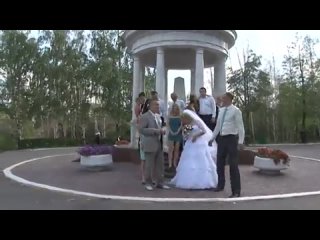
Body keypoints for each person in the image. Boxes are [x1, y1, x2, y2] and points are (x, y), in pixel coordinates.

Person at [170, 109, 218, 190]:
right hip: (190, 143)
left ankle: (203, 180)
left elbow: (204, 131)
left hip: (199, 142)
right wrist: (184, 132)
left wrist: (196, 135)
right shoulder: (187, 125)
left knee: (201, 160)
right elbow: (185, 137)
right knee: (189, 161)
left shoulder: (196, 122)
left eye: (183, 119)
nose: (183, 121)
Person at [209, 92, 245, 198]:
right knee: (219, 163)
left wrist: (241, 142)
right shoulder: (221, 110)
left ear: (229, 99)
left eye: (224, 98)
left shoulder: (236, 111)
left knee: (233, 165)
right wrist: (212, 138)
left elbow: (240, 127)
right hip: (222, 139)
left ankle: (236, 191)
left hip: (231, 139)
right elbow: (218, 126)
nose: (222, 100)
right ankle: (220, 185)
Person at [139, 99, 170, 191]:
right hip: (149, 144)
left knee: (160, 165)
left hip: (159, 144)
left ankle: (160, 182)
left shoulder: (158, 117)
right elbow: (142, 130)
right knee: (149, 165)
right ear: (150, 106)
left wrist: (163, 129)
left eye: (158, 105)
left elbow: (161, 127)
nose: (158, 107)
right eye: (156, 105)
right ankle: (148, 183)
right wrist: (157, 131)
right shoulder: (145, 117)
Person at [167, 103, 183, 169]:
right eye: (173, 108)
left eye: (176, 108)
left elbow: (181, 125)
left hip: (178, 134)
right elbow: (168, 124)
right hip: (171, 133)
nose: (174, 109)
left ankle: (174, 163)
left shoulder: (180, 116)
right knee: (170, 149)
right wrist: (171, 131)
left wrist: (177, 131)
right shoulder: (169, 115)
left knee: (176, 149)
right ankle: (170, 164)